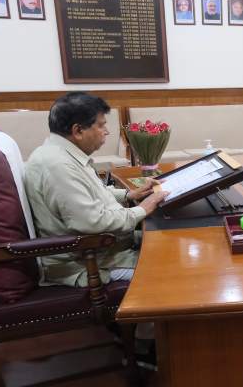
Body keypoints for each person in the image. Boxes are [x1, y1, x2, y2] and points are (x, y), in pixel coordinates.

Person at [24, 92, 168, 288]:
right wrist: (142, 209)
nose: (106, 132)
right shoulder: (58, 166)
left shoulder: (60, 153)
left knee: (168, 240)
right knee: (174, 268)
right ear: (78, 130)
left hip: (108, 248)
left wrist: (129, 195)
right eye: (101, 125)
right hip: (91, 262)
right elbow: (92, 222)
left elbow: (89, 192)